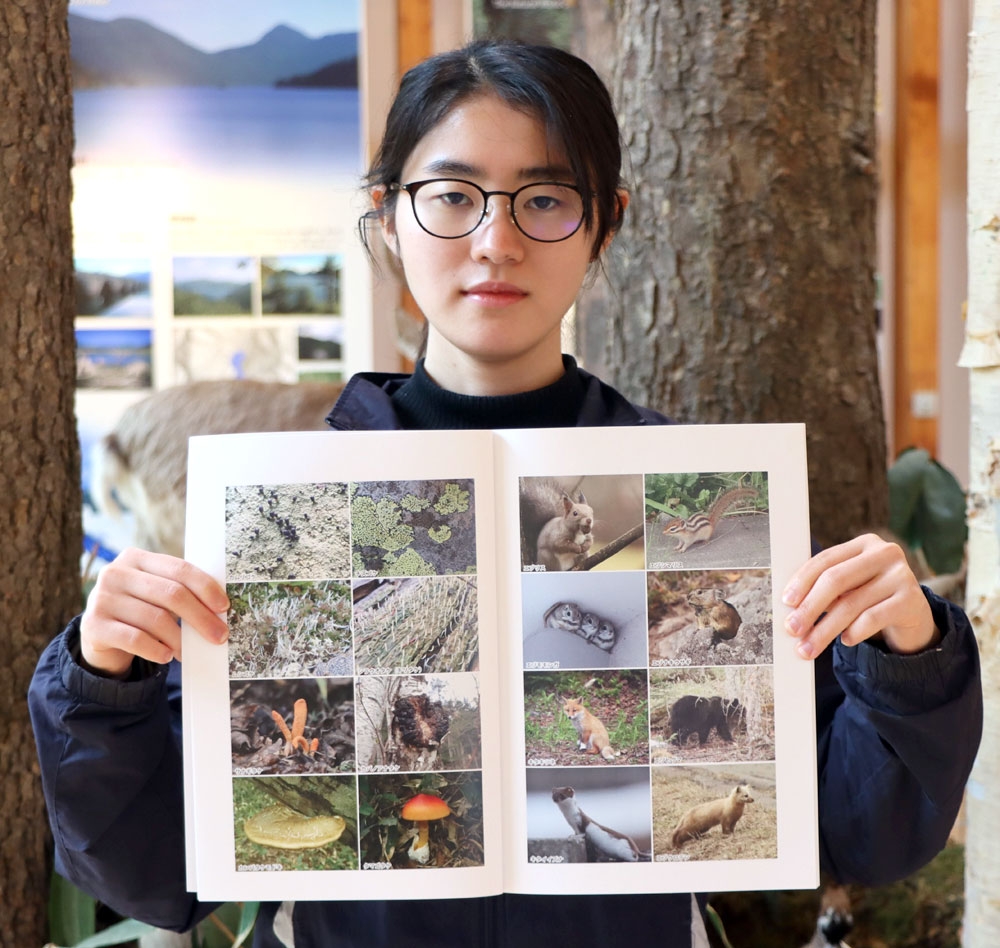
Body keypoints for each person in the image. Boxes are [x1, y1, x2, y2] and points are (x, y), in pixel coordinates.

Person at [29, 39, 981, 948]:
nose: (496, 240)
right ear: (389, 215)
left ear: (604, 219)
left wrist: (910, 658)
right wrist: (105, 683)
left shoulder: (694, 496)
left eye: (545, 199)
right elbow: (158, 874)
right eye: (451, 196)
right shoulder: (288, 507)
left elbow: (860, 835)